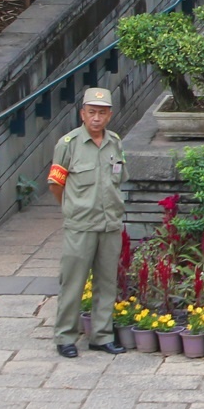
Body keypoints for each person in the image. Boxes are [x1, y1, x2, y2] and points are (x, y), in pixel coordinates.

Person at [49, 87, 129, 358]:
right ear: (82, 114)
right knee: (73, 282)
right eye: (92, 112)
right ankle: (65, 337)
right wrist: (71, 207)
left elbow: (120, 178)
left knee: (106, 282)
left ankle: (102, 336)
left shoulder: (114, 142)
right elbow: (56, 184)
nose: (97, 118)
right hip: (80, 225)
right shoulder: (68, 144)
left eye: (102, 113)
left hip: (110, 224)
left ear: (110, 115)